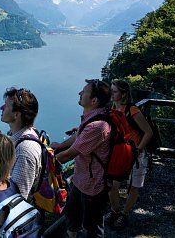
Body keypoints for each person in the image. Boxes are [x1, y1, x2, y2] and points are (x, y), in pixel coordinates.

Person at [51, 79, 111, 238]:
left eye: (84, 91)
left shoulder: (97, 126)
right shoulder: (92, 118)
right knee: (72, 214)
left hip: (93, 184)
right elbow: (78, 136)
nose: (79, 93)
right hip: (80, 179)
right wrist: (60, 146)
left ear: (94, 100)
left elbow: (70, 154)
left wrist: (46, 163)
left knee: (92, 226)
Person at [104, 79, 153, 229]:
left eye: (114, 91)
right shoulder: (112, 108)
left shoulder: (132, 110)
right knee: (113, 185)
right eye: (111, 90)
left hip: (137, 154)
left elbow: (148, 132)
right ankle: (115, 210)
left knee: (134, 186)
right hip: (121, 154)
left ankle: (124, 214)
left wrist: (138, 149)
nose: (111, 93)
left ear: (123, 94)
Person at [0, 87, 42, 201]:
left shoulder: (25, 150)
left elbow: (17, 198)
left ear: (16, 115)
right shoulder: (16, 135)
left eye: (6, 106)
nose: (1, 108)